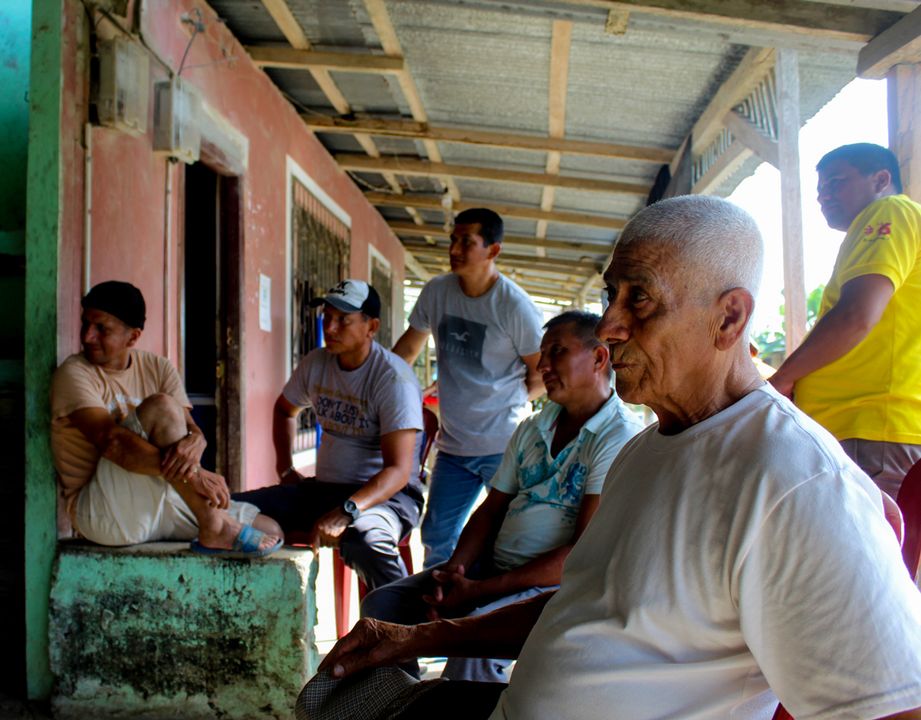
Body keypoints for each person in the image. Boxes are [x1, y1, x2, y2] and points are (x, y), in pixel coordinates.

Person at [308, 196, 921, 720]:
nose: (608, 326)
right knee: (332, 699)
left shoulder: (797, 482)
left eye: (640, 299)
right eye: (611, 295)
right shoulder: (645, 450)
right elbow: (582, 604)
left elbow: (890, 706)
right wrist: (419, 638)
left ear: (729, 317)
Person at [361, 310, 642, 682]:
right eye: (543, 353)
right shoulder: (534, 428)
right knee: (383, 605)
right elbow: (490, 510)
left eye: (557, 351)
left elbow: (579, 554)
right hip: (492, 570)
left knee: (474, 643)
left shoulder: (618, 436)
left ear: (599, 358)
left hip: (553, 587)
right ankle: (399, 696)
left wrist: (477, 591)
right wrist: (454, 574)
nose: (542, 365)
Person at [51, 280, 282, 557]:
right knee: (161, 407)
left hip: (161, 497)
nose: (87, 336)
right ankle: (215, 526)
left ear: (133, 337)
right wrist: (194, 475)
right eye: (85, 324)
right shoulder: (73, 373)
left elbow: (188, 429)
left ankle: (215, 525)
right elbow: (112, 442)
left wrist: (198, 439)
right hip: (105, 510)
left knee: (270, 529)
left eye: (101, 328)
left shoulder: (157, 367)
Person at [234, 280, 424, 590]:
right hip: (322, 491)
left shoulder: (392, 378)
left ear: (371, 327)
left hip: (387, 498)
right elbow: (284, 410)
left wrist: (347, 510)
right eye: (327, 317)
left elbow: (398, 471)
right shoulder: (317, 363)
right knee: (229, 509)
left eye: (343, 320)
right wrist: (285, 469)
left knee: (366, 541)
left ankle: (403, 616)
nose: (330, 328)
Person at [392, 208, 545, 568]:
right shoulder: (437, 292)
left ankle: (489, 600)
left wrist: (504, 402)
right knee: (437, 537)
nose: (454, 249)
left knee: (508, 538)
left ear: (493, 250)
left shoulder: (515, 307)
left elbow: (540, 374)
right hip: (453, 445)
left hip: (503, 446)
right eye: (453, 240)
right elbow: (406, 352)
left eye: (466, 242)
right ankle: (437, 600)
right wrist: (384, 391)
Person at [771, 143, 921, 499]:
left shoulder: (891, 210)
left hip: (871, 430)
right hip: (865, 432)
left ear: (881, 180)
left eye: (836, 183)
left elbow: (855, 316)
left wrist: (781, 380)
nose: (823, 196)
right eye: (820, 188)